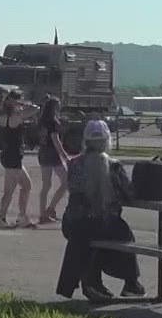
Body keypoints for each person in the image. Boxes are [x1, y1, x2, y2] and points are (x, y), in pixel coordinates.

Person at [56, 119, 146, 302]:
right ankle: (131, 283)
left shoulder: (73, 164)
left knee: (89, 238)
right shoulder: (114, 166)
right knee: (125, 235)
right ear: (107, 141)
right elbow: (129, 194)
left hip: (73, 223)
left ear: (85, 141)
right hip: (101, 223)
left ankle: (93, 282)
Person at [0, 90, 35, 227]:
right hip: (13, 156)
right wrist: (23, 104)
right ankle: (1, 218)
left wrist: (17, 104)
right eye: (19, 101)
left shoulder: (4, 114)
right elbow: (35, 109)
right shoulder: (15, 117)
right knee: (9, 191)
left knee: (27, 185)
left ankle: (22, 216)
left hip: (9, 155)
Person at [34, 97, 74, 225]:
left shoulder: (41, 122)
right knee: (66, 182)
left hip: (43, 153)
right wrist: (65, 156)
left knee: (46, 185)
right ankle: (51, 208)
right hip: (53, 155)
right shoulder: (54, 122)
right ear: (55, 108)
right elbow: (56, 141)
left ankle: (42, 213)